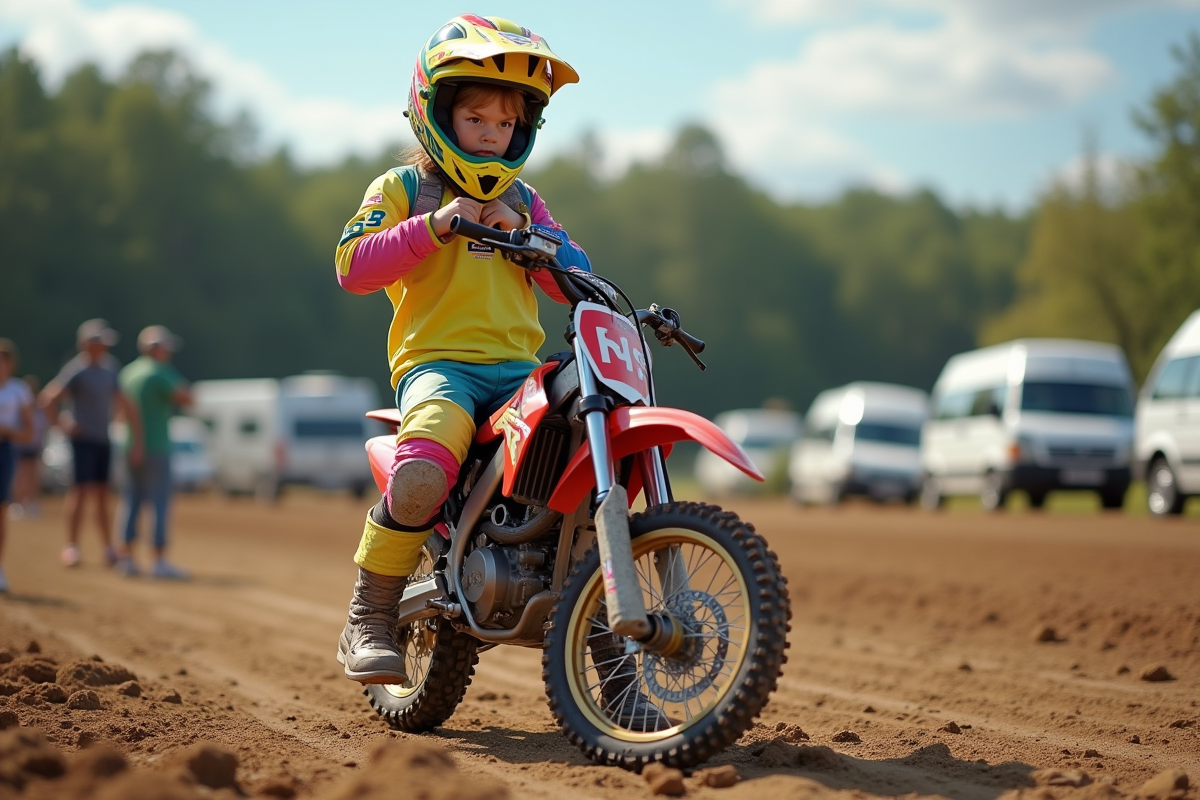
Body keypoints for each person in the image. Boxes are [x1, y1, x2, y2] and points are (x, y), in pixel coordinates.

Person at [332, 15, 666, 730]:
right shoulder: (404, 188)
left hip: (521, 372)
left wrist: (535, 241)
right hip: (439, 368)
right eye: (475, 118)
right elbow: (353, 266)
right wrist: (437, 226)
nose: (490, 135)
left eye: (506, 123)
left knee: (586, 503)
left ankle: (615, 676)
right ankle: (370, 614)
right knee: (422, 473)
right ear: (437, 113)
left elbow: (579, 276)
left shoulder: (525, 201)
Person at [40, 319, 140, 568]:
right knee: (80, 492)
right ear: (87, 344)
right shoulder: (76, 370)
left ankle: (108, 548)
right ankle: (72, 546)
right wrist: (62, 425)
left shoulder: (110, 368)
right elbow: (48, 398)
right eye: (101, 342)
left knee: (103, 494)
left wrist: (131, 427)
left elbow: (122, 399)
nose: (105, 347)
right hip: (82, 440)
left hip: (103, 440)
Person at [116, 325, 191, 579]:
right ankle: (159, 561)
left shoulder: (128, 373)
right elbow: (187, 398)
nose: (169, 352)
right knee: (159, 503)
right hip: (156, 447)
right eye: (166, 347)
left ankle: (126, 558)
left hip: (129, 447)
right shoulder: (160, 372)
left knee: (130, 502)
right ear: (155, 349)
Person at [0, 340, 35, 593]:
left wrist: (6, 431)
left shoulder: (18, 390)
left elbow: (28, 432)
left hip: (4, 450)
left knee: (1, 509)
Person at [11, 375, 49, 519]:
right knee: (21, 476)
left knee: (33, 476)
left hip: (35, 447)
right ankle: (18, 503)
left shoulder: (40, 410)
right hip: (21, 447)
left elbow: (44, 428)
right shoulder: (20, 410)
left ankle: (31, 502)